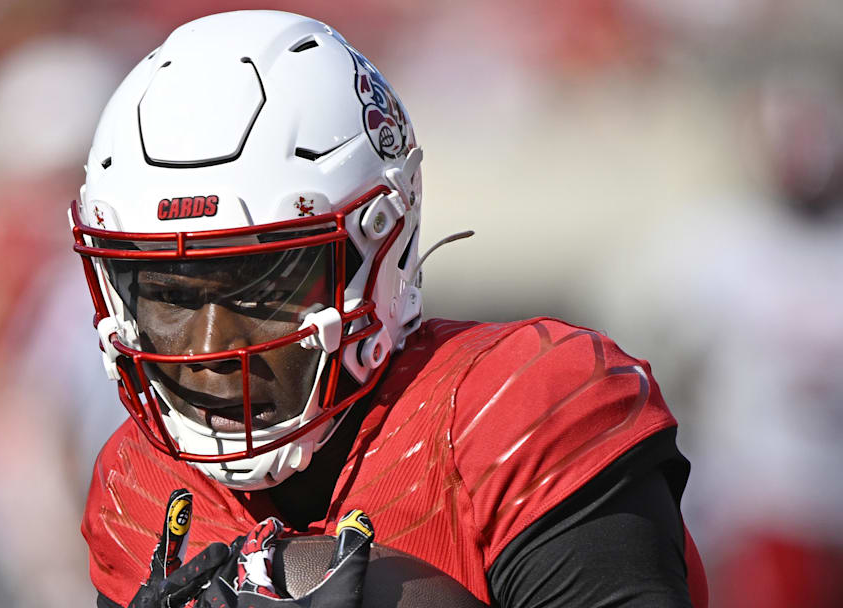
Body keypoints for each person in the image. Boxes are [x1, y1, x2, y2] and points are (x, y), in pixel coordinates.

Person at [69, 10, 708, 608]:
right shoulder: (140, 488)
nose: (209, 349)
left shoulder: (514, 410)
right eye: (171, 294)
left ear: (382, 245)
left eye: (258, 287)